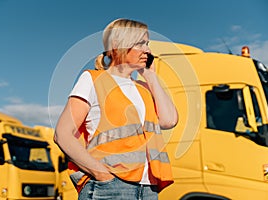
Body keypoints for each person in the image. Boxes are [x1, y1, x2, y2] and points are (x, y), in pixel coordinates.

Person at [54, 18, 178, 200]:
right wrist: (102, 175)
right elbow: (62, 134)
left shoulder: (144, 87)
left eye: (148, 44)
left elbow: (169, 121)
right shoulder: (93, 79)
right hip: (111, 187)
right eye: (141, 43)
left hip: (149, 188)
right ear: (118, 45)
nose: (148, 50)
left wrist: (151, 77)